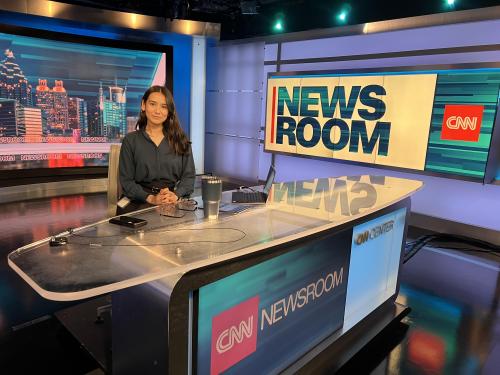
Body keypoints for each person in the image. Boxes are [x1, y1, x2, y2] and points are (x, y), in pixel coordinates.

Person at [117, 85, 195, 214]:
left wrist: (175, 195)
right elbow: (126, 182)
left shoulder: (181, 140)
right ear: (143, 105)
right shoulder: (130, 141)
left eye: (164, 106)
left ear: (169, 111)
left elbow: (189, 177)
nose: (157, 111)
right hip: (138, 199)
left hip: (170, 199)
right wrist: (152, 198)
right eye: (153, 104)